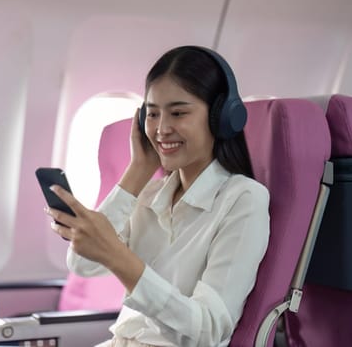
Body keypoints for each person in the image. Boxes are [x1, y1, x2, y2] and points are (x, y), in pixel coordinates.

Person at [45, 45, 270, 347]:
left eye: (178, 113)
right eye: (152, 114)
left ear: (220, 117)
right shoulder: (151, 193)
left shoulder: (243, 199)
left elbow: (208, 330)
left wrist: (119, 257)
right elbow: (83, 264)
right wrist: (137, 170)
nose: (162, 129)